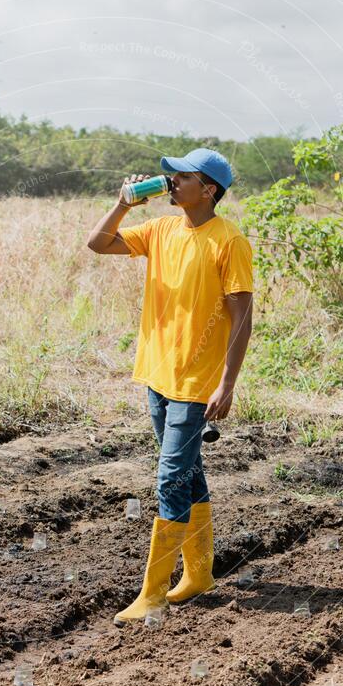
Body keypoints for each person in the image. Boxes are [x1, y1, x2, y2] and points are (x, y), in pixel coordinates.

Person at [86, 148, 254, 625]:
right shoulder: (160, 230)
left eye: (183, 176)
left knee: (169, 478)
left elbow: (243, 318)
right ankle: (199, 575)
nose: (171, 180)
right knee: (187, 473)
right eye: (171, 174)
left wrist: (227, 383)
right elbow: (98, 244)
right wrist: (122, 204)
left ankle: (153, 594)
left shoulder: (229, 241)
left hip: (196, 383)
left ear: (210, 189)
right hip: (158, 374)